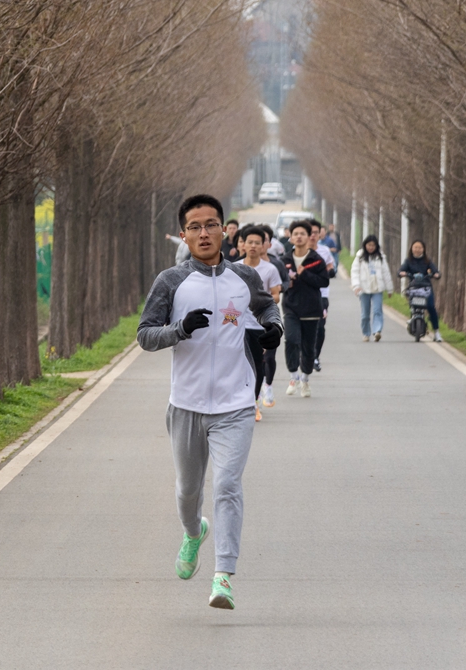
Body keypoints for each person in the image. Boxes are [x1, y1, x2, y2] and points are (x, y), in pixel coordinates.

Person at [137, 194, 283, 610]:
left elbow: (267, 307)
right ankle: (192, 532)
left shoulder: (244, 277)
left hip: (235, 403)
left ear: (225, 230)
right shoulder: (171, 281)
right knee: (188, 491)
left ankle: (223, 576)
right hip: (185, 404)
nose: (205, 232)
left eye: (212, 224)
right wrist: (179, 329)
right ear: (184, 234)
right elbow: (146, 335)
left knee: (227, 485)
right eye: (196, 226)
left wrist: (274, 328)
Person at [238, 227, 283, 418]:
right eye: (250, 242)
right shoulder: (234, 268)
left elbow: (276, 295)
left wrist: (260, 301)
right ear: (243, 244)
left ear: (264, 245)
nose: (254, 246)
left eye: (258, 242)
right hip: (238, 326)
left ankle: (254, 402)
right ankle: (241, 402)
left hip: (259, 326)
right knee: (238, 365)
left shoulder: (269, 269)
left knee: (257, 366)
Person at [282, 220, 328, 397]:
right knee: (292, 340)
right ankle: (293, 376)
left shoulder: (316, 260)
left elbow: (324, 281)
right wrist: (289, 283)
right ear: (291, 237)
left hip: (311, 309)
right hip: (291, 307)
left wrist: (305, 274)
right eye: (296, 234)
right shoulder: (284, 260)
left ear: (310, 237)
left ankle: (305, 380)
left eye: (303, 234)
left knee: (309, 347)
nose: (299, 237)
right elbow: (279, 283)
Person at [350, 234, 394, 342]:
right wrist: (356, 286)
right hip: (364, 289)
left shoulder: (381, 257)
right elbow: (355, 272)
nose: (371, 247)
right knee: (365, 314)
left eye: (373, 245)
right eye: (369, 245)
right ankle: (366, 333)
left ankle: (377, 331)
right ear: (365, 245)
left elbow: (386, 273)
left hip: (377, 288)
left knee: (377, 310)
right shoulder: (359, 257)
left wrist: (389, 289)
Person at [398, 239, 443, 342]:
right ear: (412, 249)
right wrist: (402, 273)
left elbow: (436, 271)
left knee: (431, 307)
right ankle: (412, 319)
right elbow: (400, 271)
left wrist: (436, 274)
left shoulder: (428, 261)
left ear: (423, 249)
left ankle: (436, 332)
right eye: (415, 247)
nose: (417, 250)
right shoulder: (408, 261)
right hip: (414, 288)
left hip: (426, 288)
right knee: (413, 306)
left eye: (420, 248)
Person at [308, 219, 336, 371]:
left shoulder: (324, 251)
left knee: (320, 328)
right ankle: (305, 354)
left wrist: (330, 271)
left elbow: (331, 267)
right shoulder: (296, 251)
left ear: (320, 235)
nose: (313, 236)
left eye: (316, 233)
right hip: (303, 295)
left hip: (322, 295)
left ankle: (315, 356)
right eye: (310, 233)